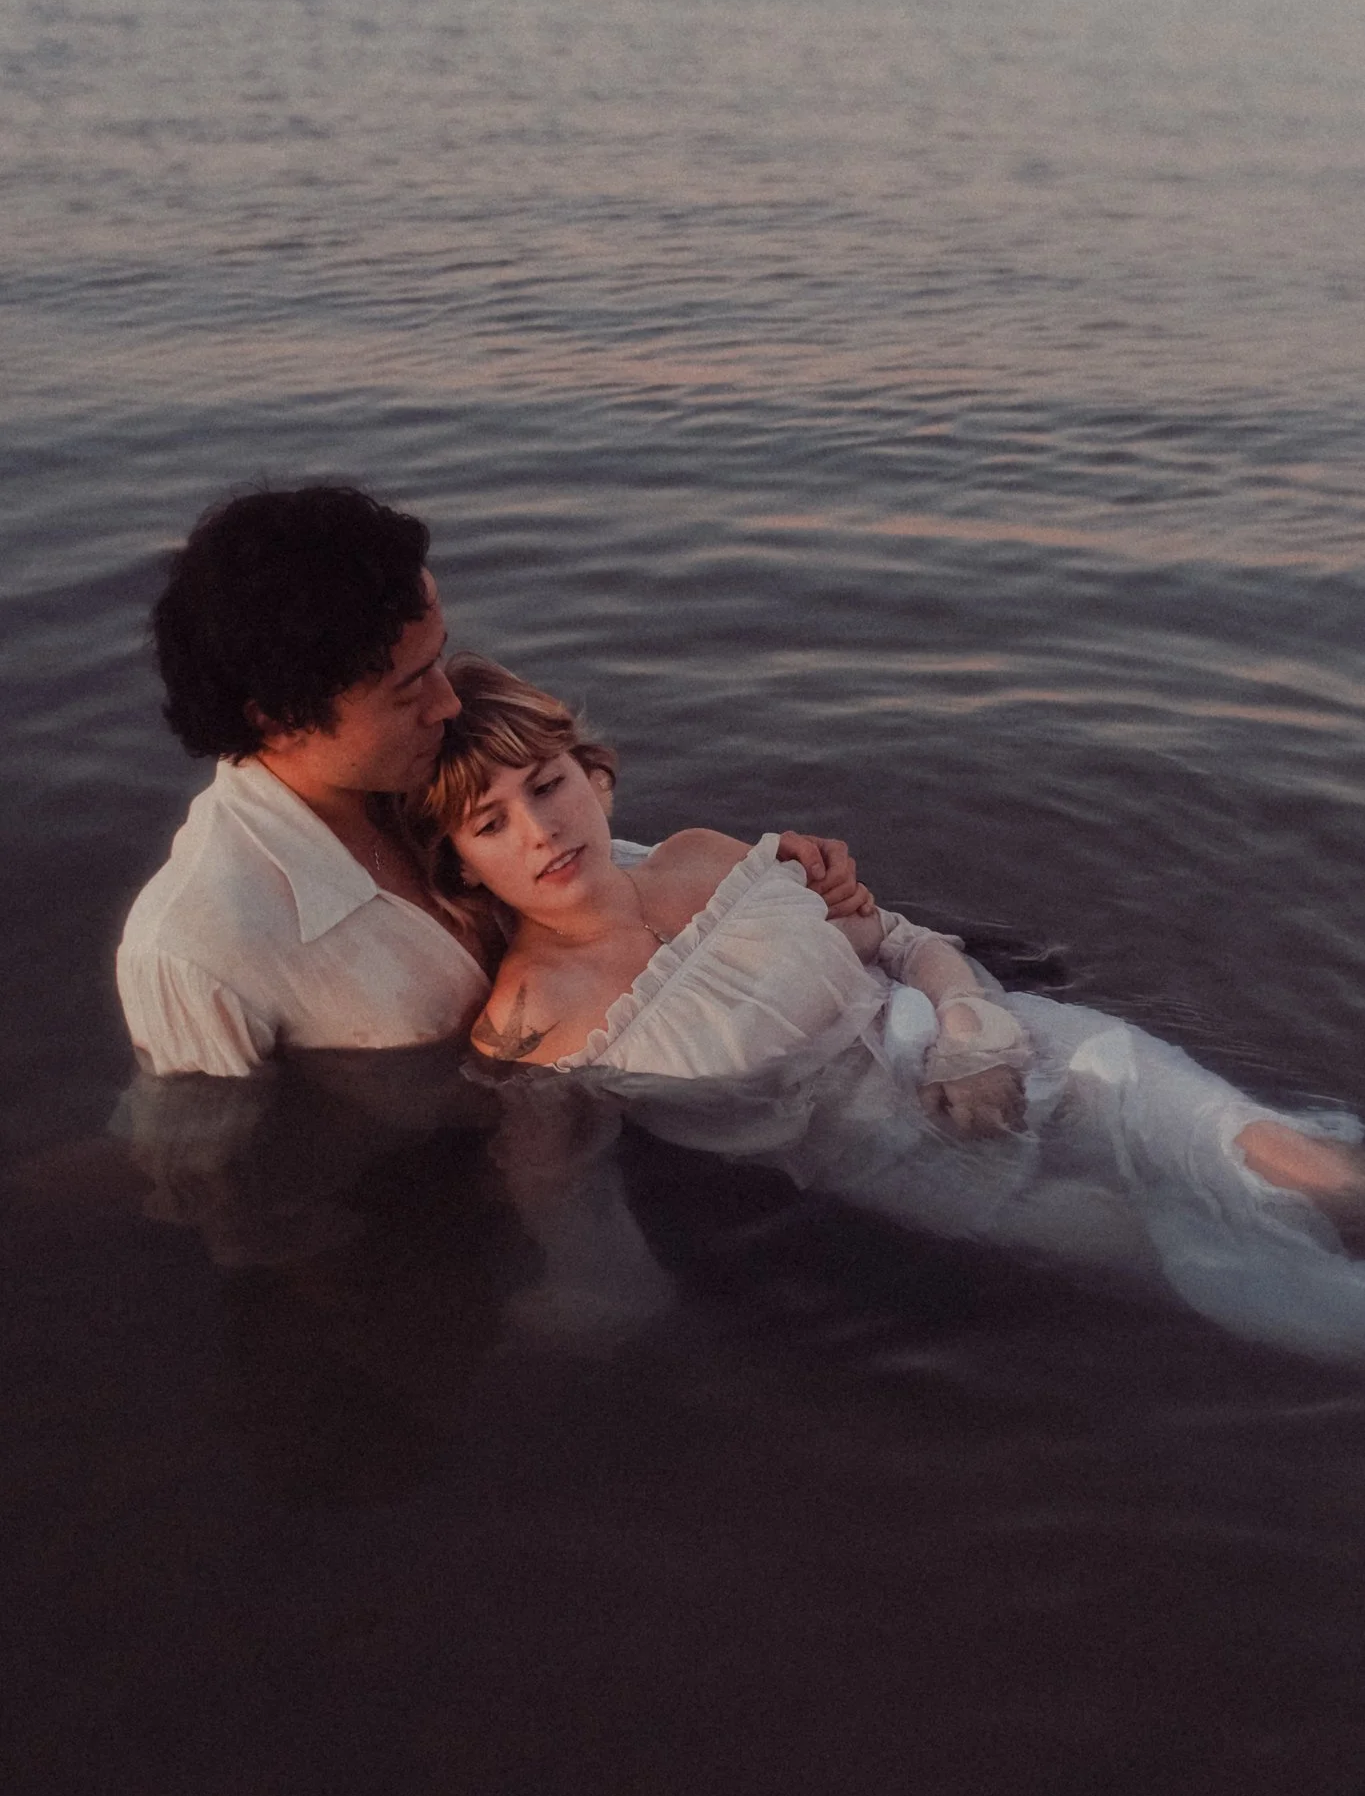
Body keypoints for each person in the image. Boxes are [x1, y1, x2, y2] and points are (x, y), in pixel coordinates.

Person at [405, 656, 1365, 1365]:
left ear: (594, 776)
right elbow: (565, 1194)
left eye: (548, 785)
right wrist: (588, 1295)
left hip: (1014, 1046)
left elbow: (898, 943)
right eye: (492, 823)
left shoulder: (698, 856)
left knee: (1286, 1162)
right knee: (1188, 1259)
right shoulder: (527, 1025)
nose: (542, 830)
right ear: (460, 863)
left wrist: (968, 1030)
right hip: (915, 1163)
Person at [116, 484, 868, 1077]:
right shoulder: (197, 946)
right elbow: (217, 1174)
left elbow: (583, 878)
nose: (446, 702)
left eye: (440, 661)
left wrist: (771, 889)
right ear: (282, 720)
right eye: (410, 688)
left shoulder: (417, 765)